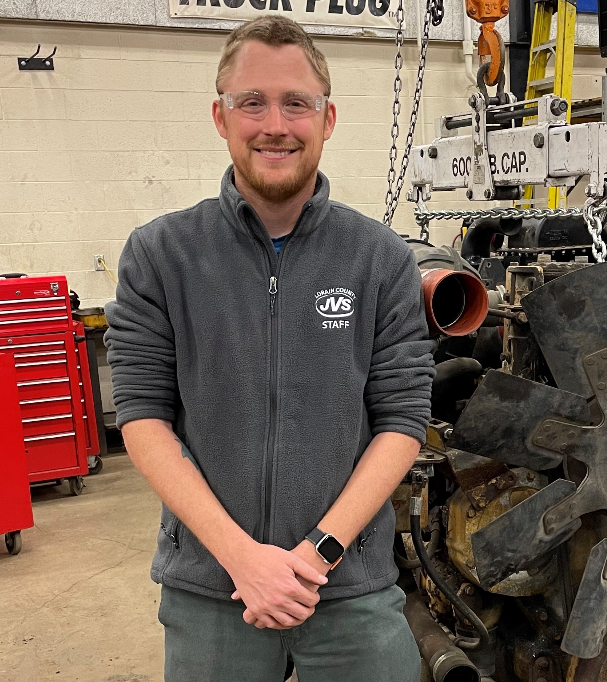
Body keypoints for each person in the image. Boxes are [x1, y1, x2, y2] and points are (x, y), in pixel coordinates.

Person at [104, 16, 434, 682]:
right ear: (221, 117)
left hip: (348, 586)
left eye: (296, 103)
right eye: (251, 102)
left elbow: (402, 421)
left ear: (328, 117)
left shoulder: (379, 258)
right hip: (214, 589)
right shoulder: (161, 255)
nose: (274, 124)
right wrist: (243, 560)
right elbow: (142, 418)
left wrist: (316, 554)